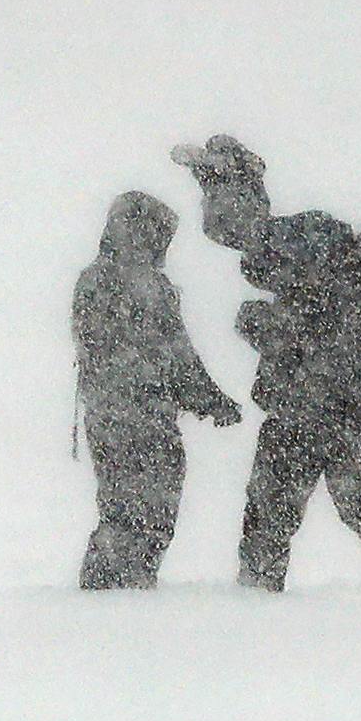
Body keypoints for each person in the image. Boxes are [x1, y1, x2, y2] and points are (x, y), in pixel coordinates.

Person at [172, 133, 361, 593]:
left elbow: (319, 337)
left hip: (303, 418)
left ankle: (258, 599)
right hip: (347, 423)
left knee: (274, 521)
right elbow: (258, 248)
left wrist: (268, 323)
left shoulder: (344, 270)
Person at [72, 190, 242, 588]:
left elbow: (112, 350)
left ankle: (103, 591)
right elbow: (175, 356)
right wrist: (211, 401)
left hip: (105, 417)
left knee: (118, 507)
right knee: (152, 507)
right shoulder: (150, 288)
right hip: (145, 419)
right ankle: (128, 586)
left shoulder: (92, 280)